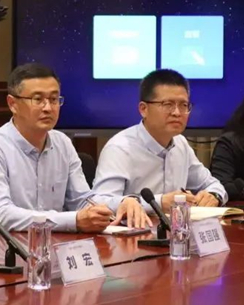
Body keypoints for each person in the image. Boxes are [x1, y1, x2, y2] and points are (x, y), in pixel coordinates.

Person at [0, 63, 115, 236]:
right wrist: (74, 221)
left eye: (54, 99)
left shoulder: (62, 143)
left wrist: (120, 204)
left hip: (54, 245)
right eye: (38, 99)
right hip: (1, 249)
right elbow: (2, 215)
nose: (48, 108)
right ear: (13, 104)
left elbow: (81, 201)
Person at [92, 69, 227, 227]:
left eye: (183, 105)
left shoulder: (180, 144)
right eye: (167, 104)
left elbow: (213, 184)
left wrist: (214, 195)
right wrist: (159, 202)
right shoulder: (120, 148)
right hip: (131, 236)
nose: (177, 113)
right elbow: (99, 202)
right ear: (143, 109)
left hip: (176, 235)